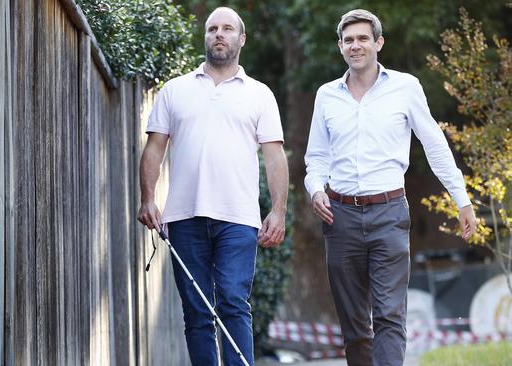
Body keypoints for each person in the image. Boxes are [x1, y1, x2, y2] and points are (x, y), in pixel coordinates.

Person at [303, 9, 477, 366]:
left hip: (389, 214)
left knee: (388, 316)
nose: (356, 45)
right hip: (340, 216)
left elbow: (435, 145)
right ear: (340, 46)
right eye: (348, 40)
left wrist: (462, 200)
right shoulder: (326, 95)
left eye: (363, 38)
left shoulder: (406, 87)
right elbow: (316, 157)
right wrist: (316, 188)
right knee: (354, 326)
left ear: (378, 43)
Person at [136, 7, 289, 366]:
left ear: (241, 39)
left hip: (238, 219)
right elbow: (154, 148)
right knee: (197, 312)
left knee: (234, 302)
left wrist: (278, 211)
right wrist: (147, 198)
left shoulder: (260, 94)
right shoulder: (175, 91)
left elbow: (274, 156)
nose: (218, 34)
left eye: (227, 29)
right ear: (205, 37)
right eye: (212, 29)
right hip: (183, 217)